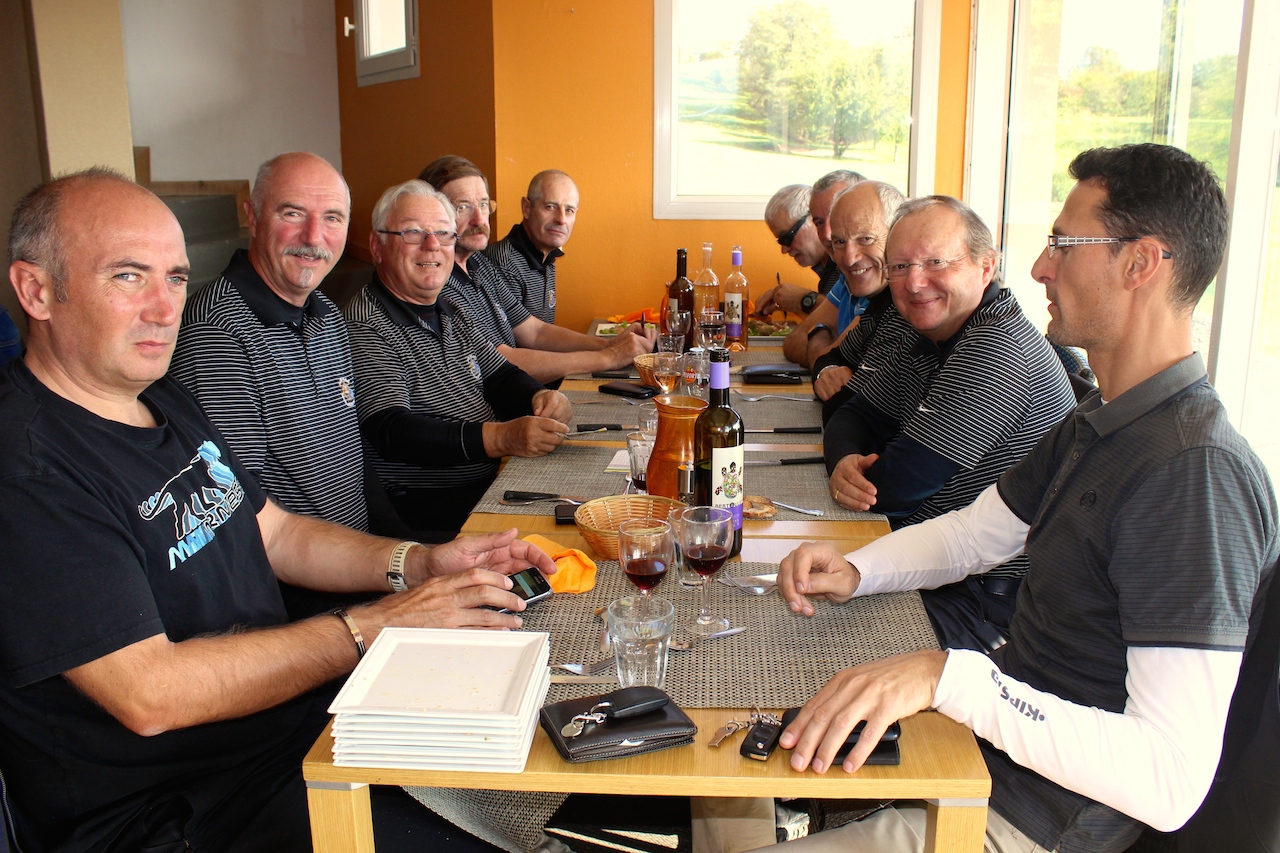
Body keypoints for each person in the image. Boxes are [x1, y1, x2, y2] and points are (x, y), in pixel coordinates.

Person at [0, 167, 559, 853]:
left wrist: (419, 563)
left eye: (175, 277)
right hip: (185, 811)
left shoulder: (159, 397)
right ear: (37, 291)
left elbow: (277, 530)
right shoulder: (28, 467)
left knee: (537, 746)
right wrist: (370, 626)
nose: (163, 306)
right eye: (127, 276)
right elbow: (151, 694)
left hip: (286, 730)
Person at [767, 144, 1278, 852]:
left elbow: (1170, 779)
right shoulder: (1099, 418)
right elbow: (975, 535)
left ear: (1141, 264)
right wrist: (860, 569)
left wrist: (952, 677)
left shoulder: (1192, 473)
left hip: (1025, 821)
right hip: (983, 758)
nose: (1039, 266)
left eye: (1064, 244)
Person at [821, 195, 1076, 652]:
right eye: (899, 267)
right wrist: (844, 461)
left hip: (985, 599)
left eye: (935, 262)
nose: (915, 282)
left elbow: (896, 486)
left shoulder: (997, 347)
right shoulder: (924, 331)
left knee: (795, 637)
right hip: (929, 564)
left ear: (985, 267)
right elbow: (852, 414)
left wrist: (855, 473)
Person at [345, 179, 572, 541]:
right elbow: (393, 430)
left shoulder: (447, 308)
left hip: (489, 483)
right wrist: (500, 439)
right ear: (377, 245)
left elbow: (500, 377)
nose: (432, 245)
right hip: (431, 512)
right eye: (413, 233)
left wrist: (537, 397)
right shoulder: (366, 323)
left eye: (443, 233)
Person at [170, 152, 368, 531]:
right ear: (253, 217)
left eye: (332, 218)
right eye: (292, 213)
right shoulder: (217, 333)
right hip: (297, 579)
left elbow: (353, 460)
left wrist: (400, 544)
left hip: (358, 553)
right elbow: (239, 511)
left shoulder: (326, 312)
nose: (313, 237)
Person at [419, 155, 655, 384]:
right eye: (463, 207)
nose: (480, 219)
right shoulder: (437, 280)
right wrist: (609, 356)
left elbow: (534, 331)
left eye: (483, 205)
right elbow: (503, 361)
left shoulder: (479, 264)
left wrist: (610, 344)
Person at [807, 180, 908, 423]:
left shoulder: (910, 306)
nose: (849, 258)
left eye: (865, 238)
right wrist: (827, 370)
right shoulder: (881, 304)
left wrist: (817, 332)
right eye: (839, 242)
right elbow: (830, 359)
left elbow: (846, 408)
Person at [783, 170, 864, 369]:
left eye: (837, 215)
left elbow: (839, 362)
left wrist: (818, 334)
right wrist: (823, 344)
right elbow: (793, 344)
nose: (828, 234)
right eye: (819, 222)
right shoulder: (846, 279)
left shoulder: (884, 283)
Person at [484, 169, 578, 325]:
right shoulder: (503, 264)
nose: (561, 219)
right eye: (550, 207)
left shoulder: (547, 256)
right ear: (526, 208)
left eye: (569, 210)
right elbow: (525, 341)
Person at [754, 183, 842, 321]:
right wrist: (789, 301)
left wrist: (803, 300)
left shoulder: (847, 264)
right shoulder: (827, 270)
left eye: (787, 238)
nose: (784, 250)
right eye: (780, 241)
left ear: (814, 220)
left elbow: (851, 323)